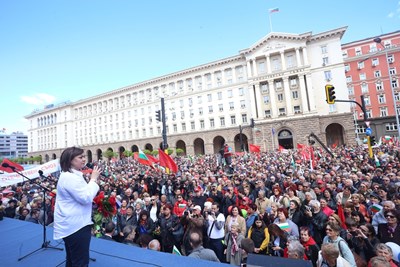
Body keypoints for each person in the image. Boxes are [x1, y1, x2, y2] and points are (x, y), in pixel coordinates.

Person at [53, 146, 101, 267]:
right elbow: (86, 197)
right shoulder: (70, 178)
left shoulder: (70, 175)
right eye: (80, 157)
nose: (84, 159)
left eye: (84, 156)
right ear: (70, 160)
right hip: (76, 227)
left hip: (73, 224)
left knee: (72, 259)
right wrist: (93, 180)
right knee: (80, 262)